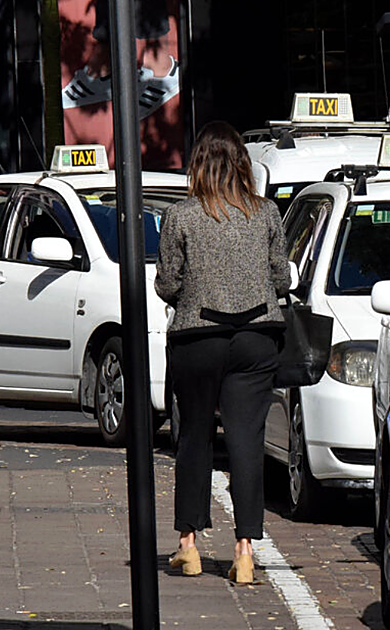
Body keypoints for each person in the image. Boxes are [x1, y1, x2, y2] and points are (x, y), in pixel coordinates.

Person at [155, 121, 290, 585]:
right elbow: (282, 279)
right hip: (256, 336)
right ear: (243, 165)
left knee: (193, 435)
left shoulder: (182, 216)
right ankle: (246, 550)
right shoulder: (267, 212)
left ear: (197, 167)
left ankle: (189, 545)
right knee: (246, 440)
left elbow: (168, 284)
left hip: (197, 337)